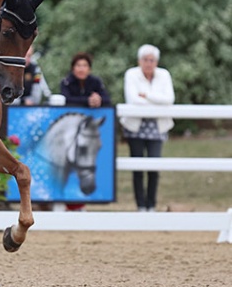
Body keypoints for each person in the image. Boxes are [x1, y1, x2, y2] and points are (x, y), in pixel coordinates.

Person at [121, 44, 175, 212]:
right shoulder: (131, 74)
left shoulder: (164, 75)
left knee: (154, 166)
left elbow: (169, 99)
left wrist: (147, 95)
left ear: (156, 62)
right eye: (145, 60)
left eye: (151, 60)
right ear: (139, 61)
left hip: (157, 126)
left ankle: (151, 204)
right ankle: (140, 205)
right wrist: (156, 101)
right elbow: (133, 99)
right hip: (135, 125)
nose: (148, 63)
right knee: (137, 167)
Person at [59, 52, 111, 212]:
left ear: (89, 68)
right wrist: (88, 101)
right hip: (70, 129)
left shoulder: (95, 81)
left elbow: (107, 98)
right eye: (78, 65)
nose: (81, 69)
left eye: (85, 66)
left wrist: (99, 100)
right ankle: (64, 201)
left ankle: (79, 203)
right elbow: (66, 99)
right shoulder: (66, 82)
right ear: (73, 68)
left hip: (88, 132)